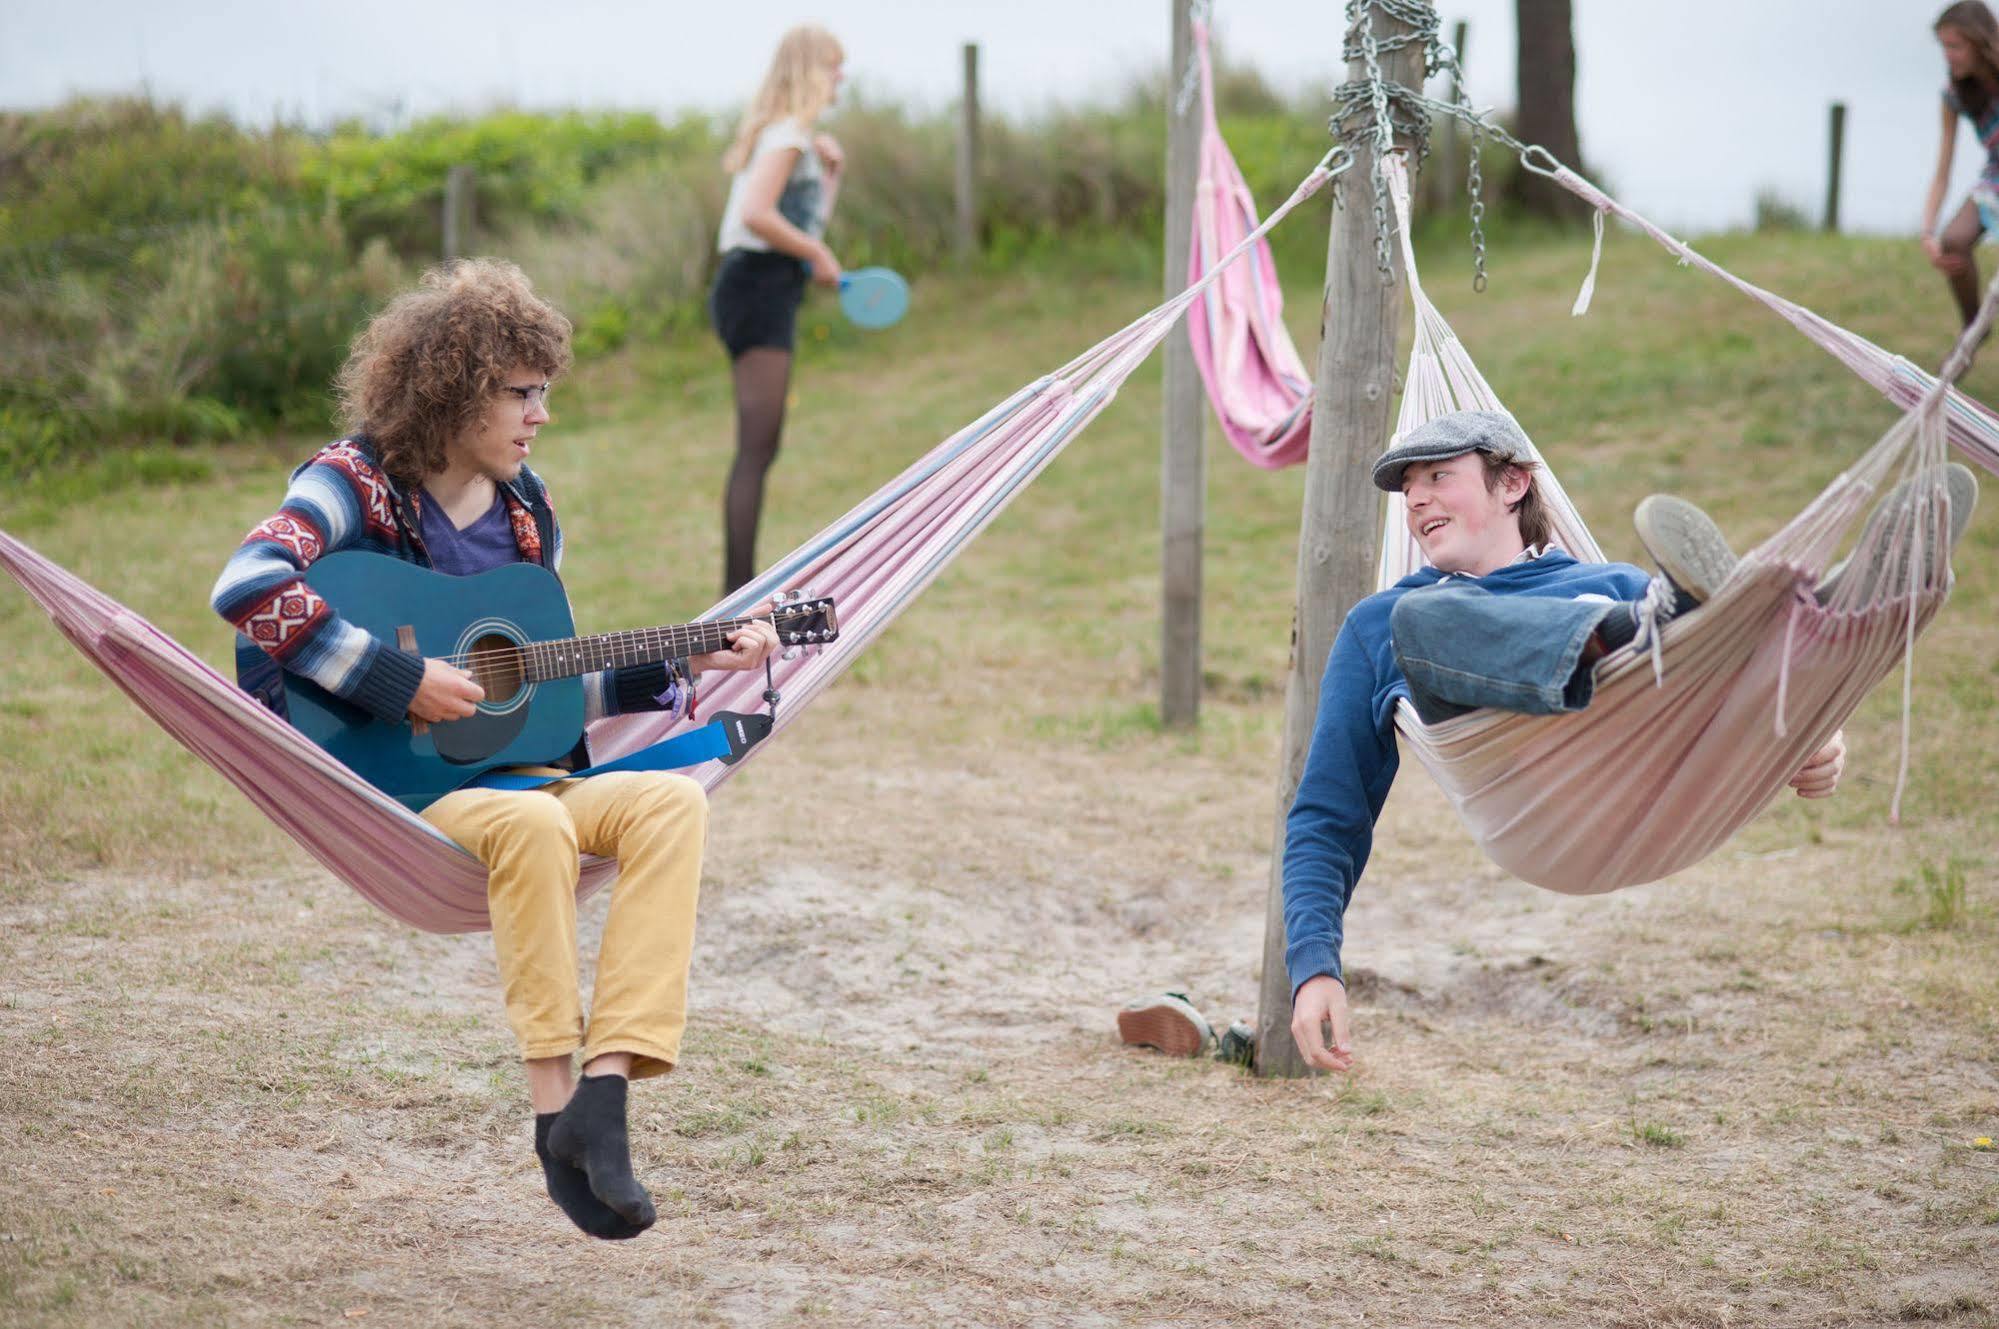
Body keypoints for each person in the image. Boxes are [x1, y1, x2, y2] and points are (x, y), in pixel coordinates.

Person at [211, 259, 779, 1240]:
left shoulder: (527, 512)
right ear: (456, 390)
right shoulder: (352, 483)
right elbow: (250, 584)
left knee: (671, 803)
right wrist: (398, 682)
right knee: (530, 826)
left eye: (543, 393)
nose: (539, 417)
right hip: (397, 787)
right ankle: (551, 1104)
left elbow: (534, 697)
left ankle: (606, 1095)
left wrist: (684, 663)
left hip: (525, 768)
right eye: (522, 393)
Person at [1281, 410, 1865, 1074]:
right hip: (1538, 820)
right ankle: (1658, 628)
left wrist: (1811, 732)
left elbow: (1724, 702)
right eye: (1408, 486)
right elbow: (1328, 813)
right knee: (1420, 618)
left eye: (1439, 476)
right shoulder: (1380, 622)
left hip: (1649, 793)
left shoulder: (1610, 582)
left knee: (1694, 628)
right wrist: (1313, 966)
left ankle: (1842, 610)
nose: (1415, 499)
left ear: (1513, 485)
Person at [711, 23, 849, 593]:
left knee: (761, 447)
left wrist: (833, 177)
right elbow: (757, 214)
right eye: (835, 66)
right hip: (758, 288)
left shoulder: (790, 137)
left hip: (764, 286)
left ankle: (737, 590)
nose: (842, 77)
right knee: (757, 448)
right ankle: (736, 596)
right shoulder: (788, 137)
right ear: (812, 70)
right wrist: (816, 253)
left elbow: (802, 219)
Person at [1924, 2, 1999, 327]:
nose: (1948, 56)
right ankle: (1974, 328)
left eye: (1955, 46)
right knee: (1953, 241)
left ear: (1979, 42)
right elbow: (1943, 171)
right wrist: (1929, 231)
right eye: (1944, 47)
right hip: (1995, 175)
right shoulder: (1955, 94)